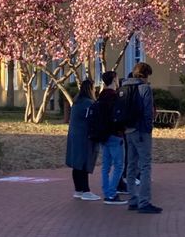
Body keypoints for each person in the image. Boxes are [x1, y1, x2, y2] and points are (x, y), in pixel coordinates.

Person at [123, 62, 162, 214]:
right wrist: (149, 128)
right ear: (145, 75)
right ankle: (144, 201)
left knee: (131, 165)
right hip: (141, 130)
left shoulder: (125, 86)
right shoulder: (145, 88)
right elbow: (148, 111)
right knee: (145, 165)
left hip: (128, 129)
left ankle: (132, 198)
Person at [65, 79, 100, 201]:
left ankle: (78, 190)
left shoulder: (76, 103)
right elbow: (92, 120)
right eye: (93, 88)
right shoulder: (89, 104)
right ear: (90, 89)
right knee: (84, 163)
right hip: (84, 137)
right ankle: (86, 190)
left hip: (74, 136)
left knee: (76, 164)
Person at [98, 71, 128, 205]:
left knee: (106, 166)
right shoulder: (115, 97)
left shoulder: (101, 96)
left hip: (103, 134)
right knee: (119, 165)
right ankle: (111, 194)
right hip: (115, 134)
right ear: (114, 79)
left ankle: (107, 192)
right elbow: (119, 115)